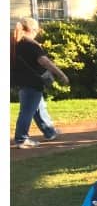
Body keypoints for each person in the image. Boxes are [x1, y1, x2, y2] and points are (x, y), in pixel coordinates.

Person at [11, 17, 69, 148]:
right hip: (33, 81)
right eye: (37, 30)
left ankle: (49, 132)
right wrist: (61, 74)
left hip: (21, 81)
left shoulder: (14, 43)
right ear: (32, 30)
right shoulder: (30, 44)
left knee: (38, 107)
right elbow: (45, 62)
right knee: (27, 111)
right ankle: (21, 139)